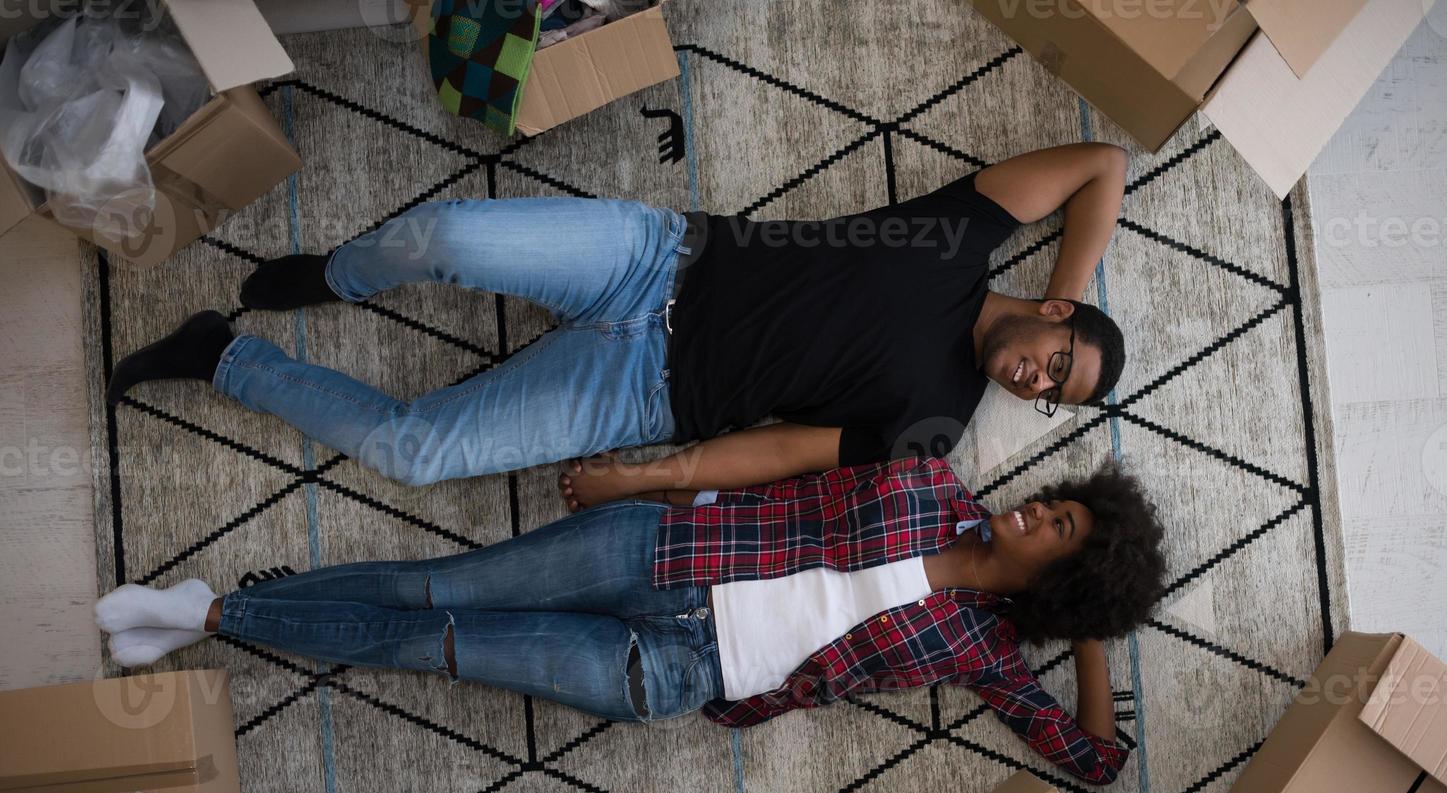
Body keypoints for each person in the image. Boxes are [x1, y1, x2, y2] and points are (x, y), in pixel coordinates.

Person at [103, 142, 1128, 491]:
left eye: (1049, 396)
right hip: (656, 260)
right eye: (1057, 360)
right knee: (451, 236)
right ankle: (341, 277)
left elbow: (783, 453)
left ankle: (224, 359)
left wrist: (657, 471)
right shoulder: (961, 236)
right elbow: (1101, 165)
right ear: (1052, 313)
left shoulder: (935, 424)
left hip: (640, 395)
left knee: (413, 453)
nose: (1033, 381)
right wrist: (1074, 283)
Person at [93, 455, 1165, 786]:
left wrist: (1081, 630)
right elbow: (790, 463)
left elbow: (1094, 759)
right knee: (437, 586)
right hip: (659, 549)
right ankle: (218, 608)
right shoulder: (933, 481)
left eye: (1055, 529)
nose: (1032, 509)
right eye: (1054, 501)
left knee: (437, 649)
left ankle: (217, 617)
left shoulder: (982, 650)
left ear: (1056, 576)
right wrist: (653, 478)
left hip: (673, 670)